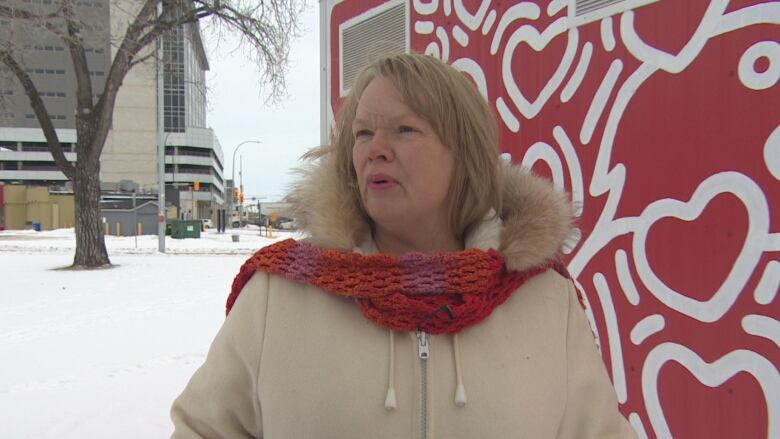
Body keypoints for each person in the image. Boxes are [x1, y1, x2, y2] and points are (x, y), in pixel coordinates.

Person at [170, 53, 637, 438]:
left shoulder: (543, 300)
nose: (376, 148)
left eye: (404, 130)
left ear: (464, 153)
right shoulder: (279, 294)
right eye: (363, 134)